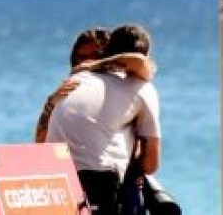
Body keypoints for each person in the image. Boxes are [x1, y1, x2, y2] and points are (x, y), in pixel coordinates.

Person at [43, 24, 161, 215]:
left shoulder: (78, 80)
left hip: (53, 177)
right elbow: (151, 164)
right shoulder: (143, 88)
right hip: (95, 178)